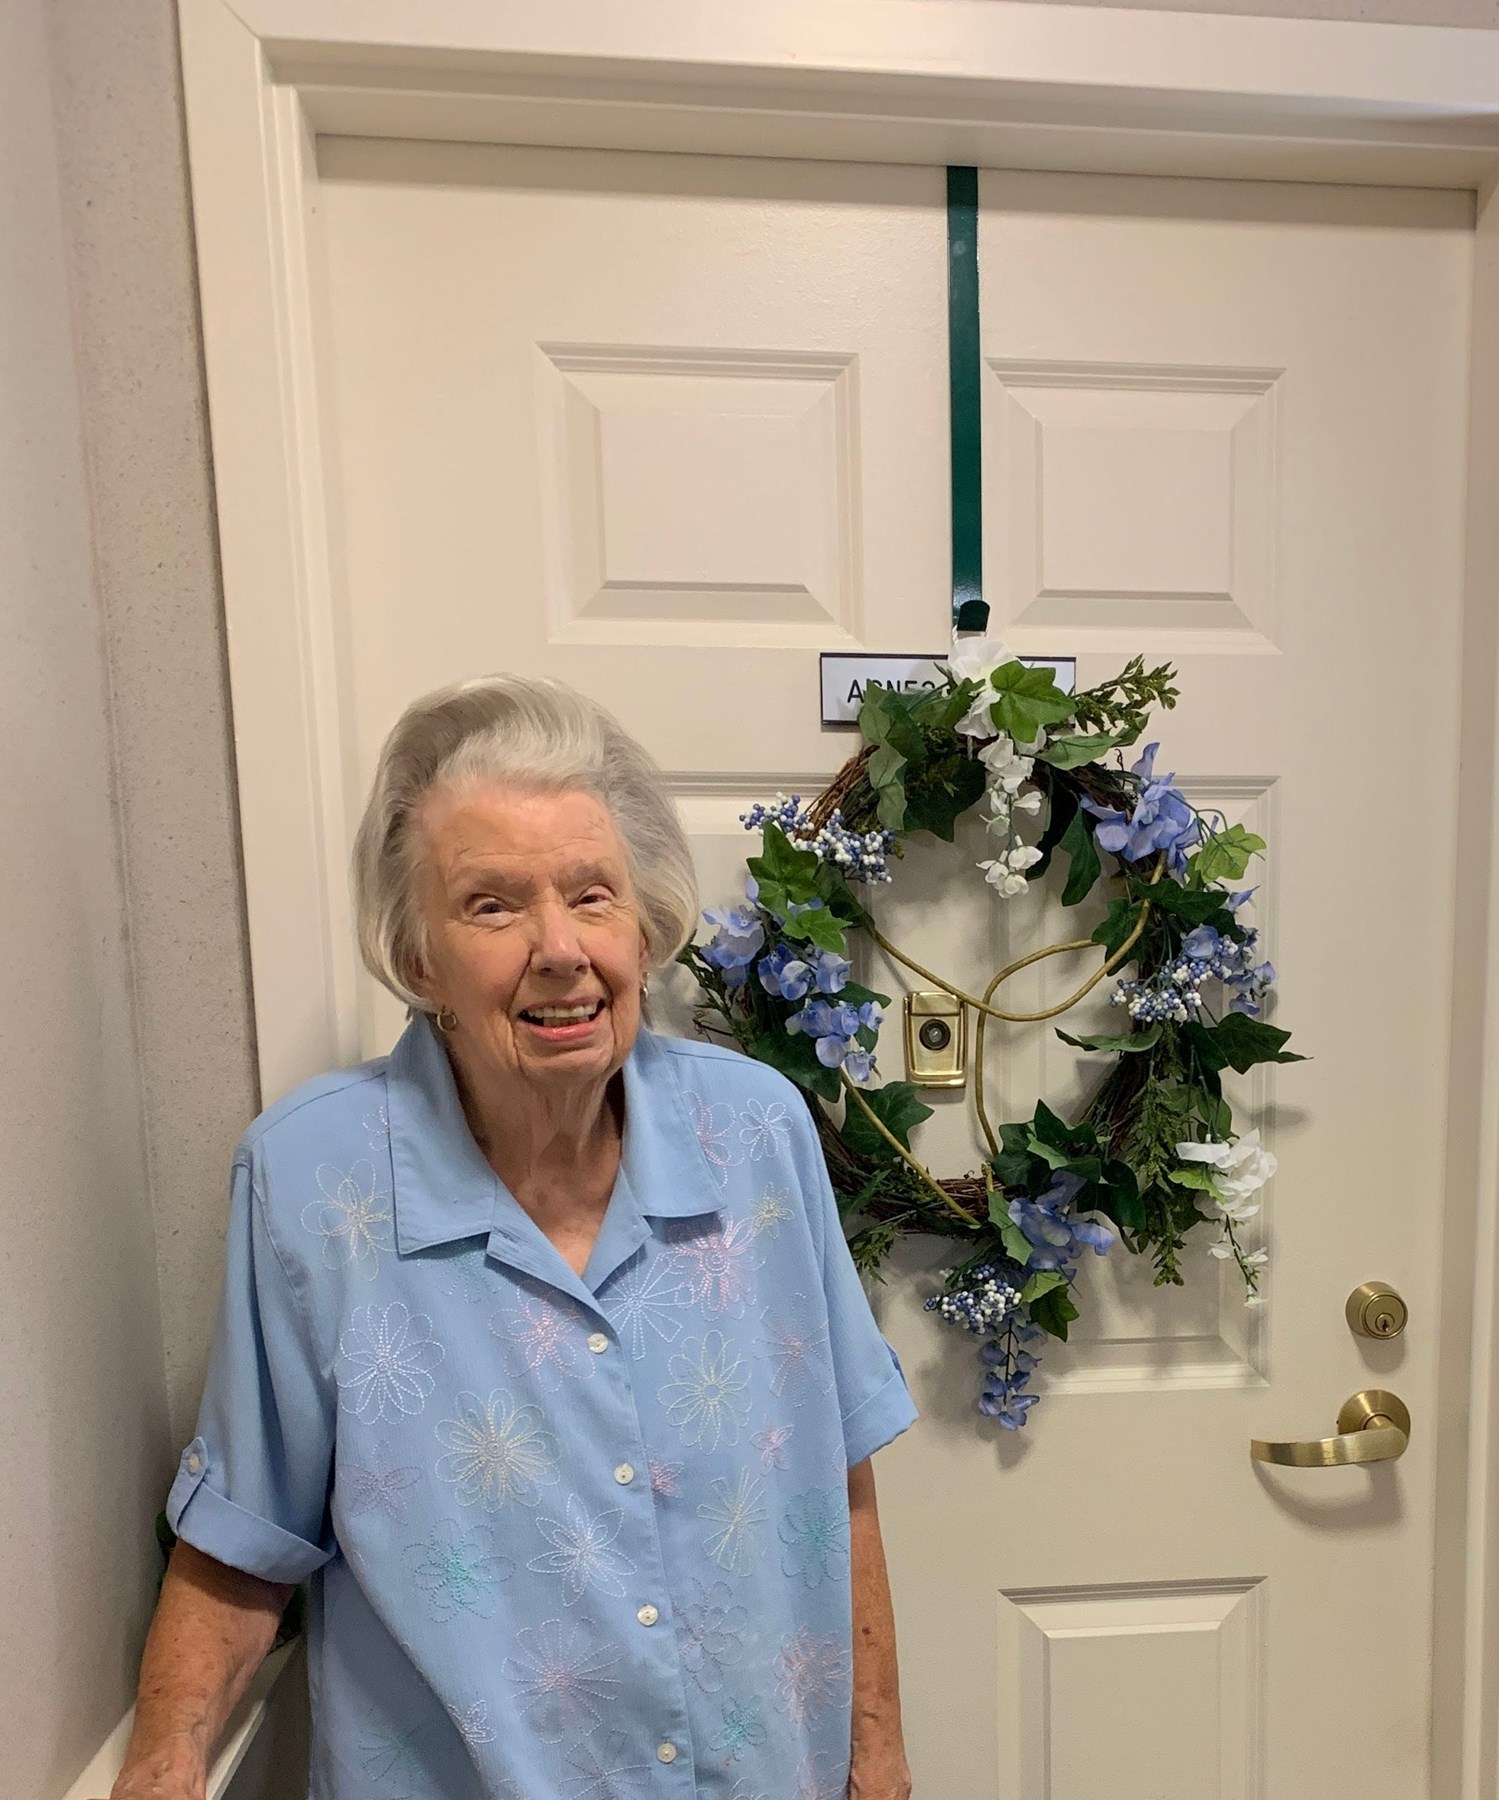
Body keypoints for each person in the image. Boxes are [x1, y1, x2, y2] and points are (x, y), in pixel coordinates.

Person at [105, 674, 918, 1800]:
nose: (559, 948)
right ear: (418, 958)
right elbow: (244, 1538)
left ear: (643, 923)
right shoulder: (314, 1182)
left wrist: (877, 1755)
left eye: (592, 895)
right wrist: (162, 1762)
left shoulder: (756, 1133)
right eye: (491, 906)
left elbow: (838, 1476)